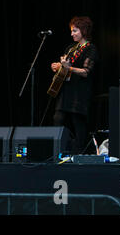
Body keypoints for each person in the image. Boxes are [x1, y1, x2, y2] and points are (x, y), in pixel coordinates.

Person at [50, 16, 99, 154]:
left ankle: (79, 155)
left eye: (75, 31)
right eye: (71, 31)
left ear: (83, 30)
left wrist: (68, 68)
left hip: (79, 93)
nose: (72, 34)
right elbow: (66, 66)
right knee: (57, 119)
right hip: (65, 91)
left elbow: (85, 72)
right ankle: (57, 152)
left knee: (78, 123)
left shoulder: (90, 48)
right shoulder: (71, 48)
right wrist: (59, 66)